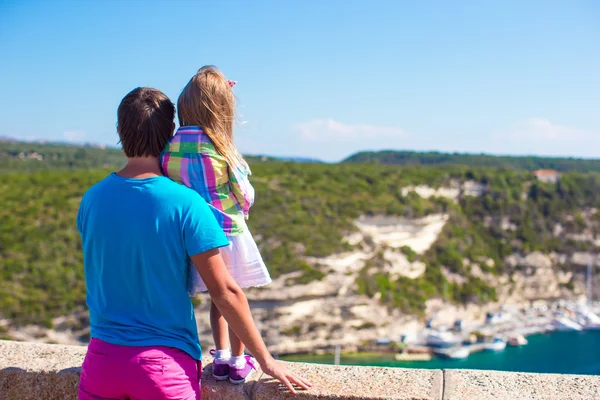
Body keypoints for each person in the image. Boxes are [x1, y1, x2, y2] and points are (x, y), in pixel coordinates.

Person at [77, 87, 311, 400]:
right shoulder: (187, 204)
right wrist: (266, 361)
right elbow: (225, 292)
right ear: (170, 132)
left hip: (101, 362)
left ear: (120, 130)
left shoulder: (92, 199)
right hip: (163, 366)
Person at [161, 66, 270, 384]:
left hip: (195, 239)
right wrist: (244, 205)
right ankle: (238, 361)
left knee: (215, 296)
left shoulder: (171, 148)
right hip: (229, 232)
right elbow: (244, 192)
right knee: (234, 295)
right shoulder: (221, 147)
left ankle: (220, 357)